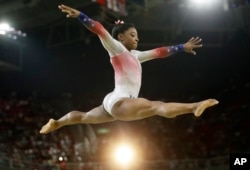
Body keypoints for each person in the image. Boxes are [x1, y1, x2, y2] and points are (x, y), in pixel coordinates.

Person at [40, 4, 218, 134]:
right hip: (120, 102)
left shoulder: (137, 56)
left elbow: (160, 52)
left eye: (137, 36)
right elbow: (100, 29)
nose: (137, 39)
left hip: (113, 100)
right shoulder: (117, 48)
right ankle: (194, 107)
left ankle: (56, 123)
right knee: (156, 106)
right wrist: (81, 15)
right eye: (133, 35)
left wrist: (181, 46)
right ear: (121, 37)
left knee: (84, 117)